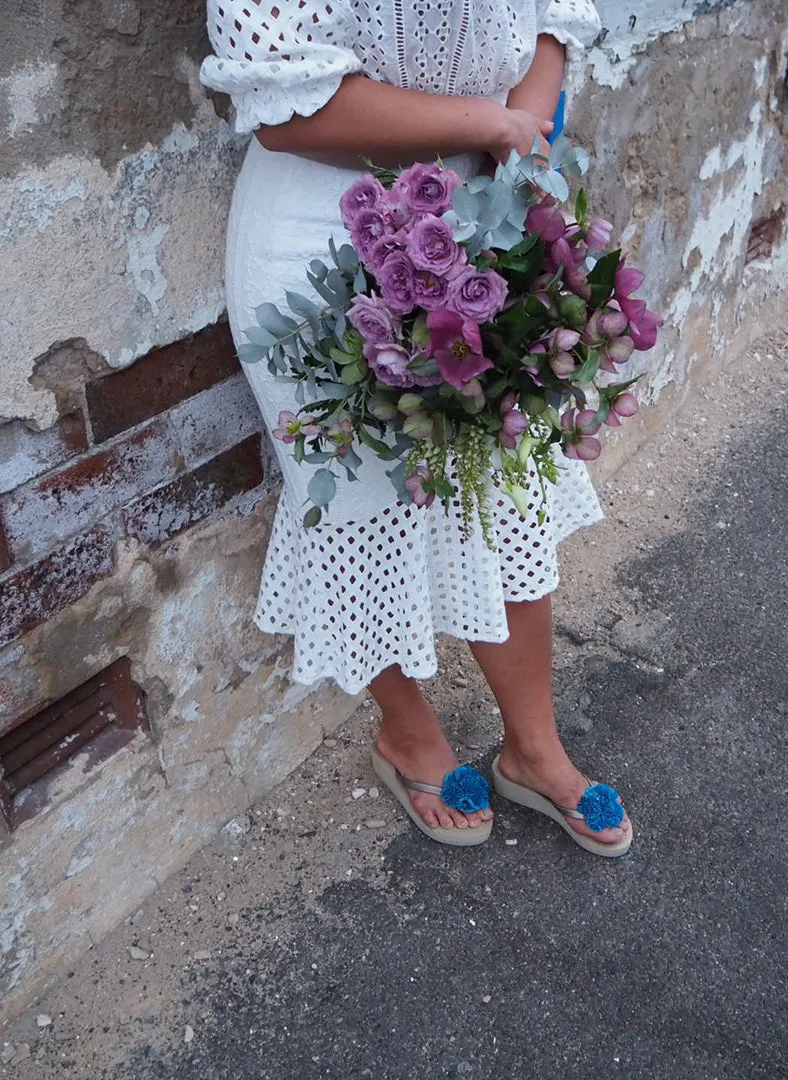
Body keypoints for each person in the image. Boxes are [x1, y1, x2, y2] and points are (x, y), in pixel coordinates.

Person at [200, 0, 632, 857]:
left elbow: (554, 21)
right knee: (362, 504)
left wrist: (520, 143)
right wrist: (491, 122)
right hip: (316, 232)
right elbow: (289, 107)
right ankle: (406, 733)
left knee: (506, 490)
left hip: (486, 207)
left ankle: (532, 748)